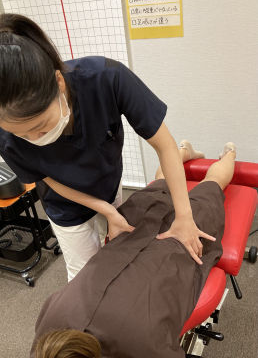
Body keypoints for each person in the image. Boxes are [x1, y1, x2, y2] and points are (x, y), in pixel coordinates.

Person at [0, 13, 215, 282]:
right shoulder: (5, 136)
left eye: (41, 125)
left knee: (120, 252)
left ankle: (188, 151)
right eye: (21, 135)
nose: (34, 138)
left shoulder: (107, 79)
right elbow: (48, 180)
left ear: (59, 82)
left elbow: (163, 145)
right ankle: (187, 151)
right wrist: (107, 211)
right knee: (84, 278)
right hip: (64, 204)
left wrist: (184, 216)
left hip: (108, 183)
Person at [30, 141, 237, 358]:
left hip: (162, 243)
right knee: (163, 184)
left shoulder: (142, 347)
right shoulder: (47, 331)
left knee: (209, 184)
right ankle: (185, 151)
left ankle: (228, 152)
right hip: (135, 235)